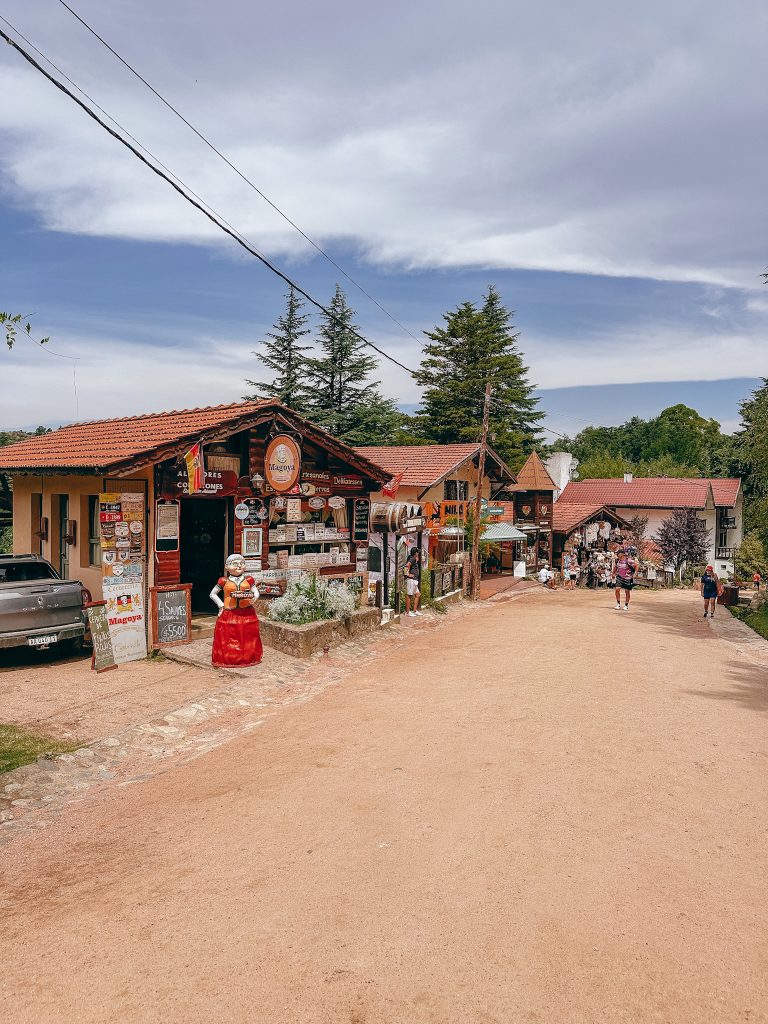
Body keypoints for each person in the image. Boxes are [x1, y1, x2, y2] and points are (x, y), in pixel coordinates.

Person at [209, 553, 263, 667]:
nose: (239, 566)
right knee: (228, 636)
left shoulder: (249, 579)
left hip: (247, 612)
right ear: (226, 567)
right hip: (229, 612)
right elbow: (213, 594)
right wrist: (221, 605)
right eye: (235, 564)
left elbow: (255, 591)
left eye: (241, 563)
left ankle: (248, 658)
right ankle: (229, 659)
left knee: (248, 636)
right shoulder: (223, 581)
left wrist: (254, 598)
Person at [612, 546, 637, 611]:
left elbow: (637, 565)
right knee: (617, 590)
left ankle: (626, 605)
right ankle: (618, 604)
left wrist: (635, 573)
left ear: (622, 554)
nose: (617, 555)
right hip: (619, 577)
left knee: (627, 592)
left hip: (627, 578)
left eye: (618, 553)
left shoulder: (628, 560)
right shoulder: (617, 561)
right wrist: (613, 573)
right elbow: (615, 567)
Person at [403, 547, 422, 617]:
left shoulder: (412, 558)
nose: (418, 554)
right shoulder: (413, 558)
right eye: (418, 552)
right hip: (411, 580)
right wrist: (408, 574)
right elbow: (406, 566)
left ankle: (414, 611)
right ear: (415, 553)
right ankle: (407, 612)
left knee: (417, 594)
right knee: (409, 595)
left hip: (414, 580)